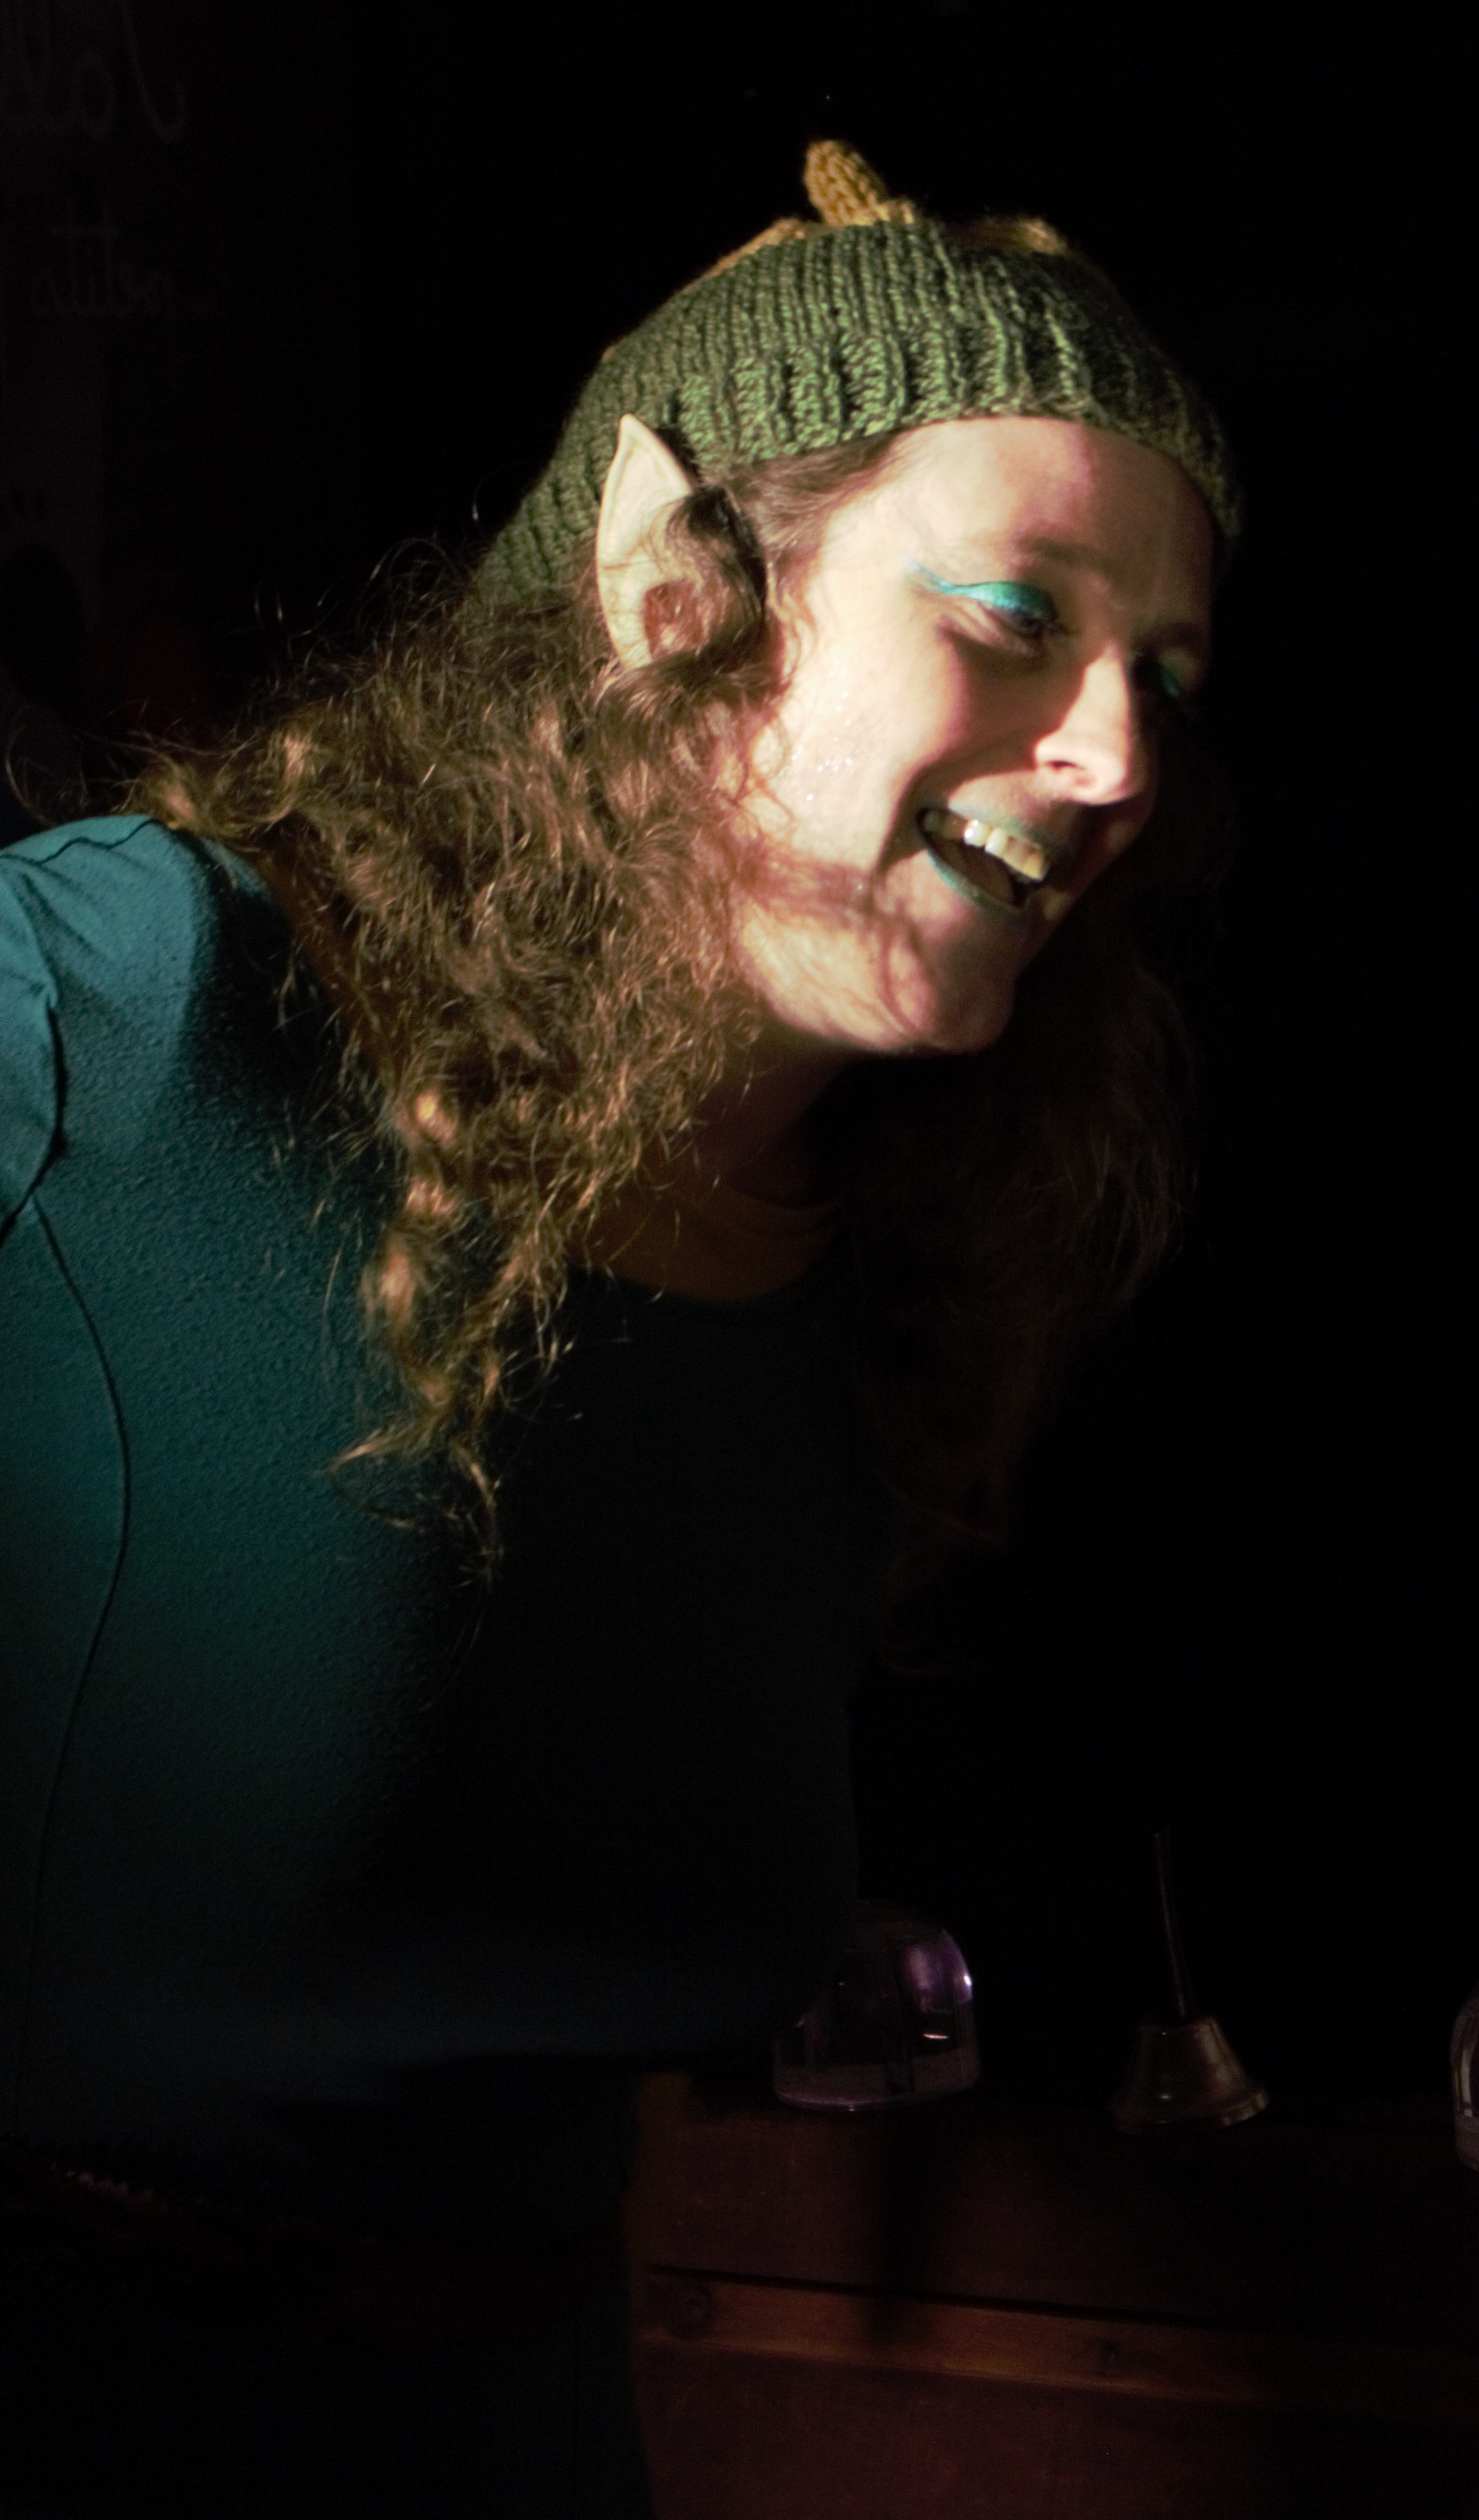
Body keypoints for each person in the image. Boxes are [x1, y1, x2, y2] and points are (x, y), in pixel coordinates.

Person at [0, 143, 1228, 2515]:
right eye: (1015, 617)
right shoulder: (133, 1014)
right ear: (674, 582)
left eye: (1160, 677)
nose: (1118, 756)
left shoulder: (863, 1270)